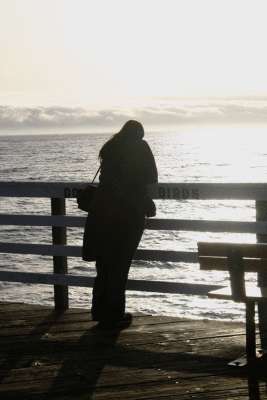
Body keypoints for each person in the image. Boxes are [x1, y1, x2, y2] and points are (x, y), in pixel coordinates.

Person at [82, 120, 158, 326]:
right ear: (139, 134)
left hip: (102, 210)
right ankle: (115, 314)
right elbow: (153, 177)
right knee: (120, 264)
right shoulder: (140, 146)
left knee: (104, 264)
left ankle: (98, 311)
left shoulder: (111, 146)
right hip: (128, 210)